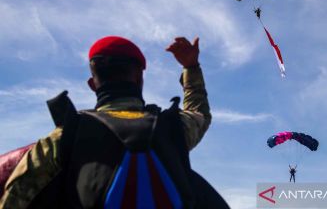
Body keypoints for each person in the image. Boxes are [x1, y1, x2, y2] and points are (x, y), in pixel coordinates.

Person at [0, 36, 229, 208]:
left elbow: (14, 200)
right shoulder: (175, 128)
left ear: (93, 84)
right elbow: (199, 112)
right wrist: (191, 68)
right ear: (139, 78)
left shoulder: (63, 137)